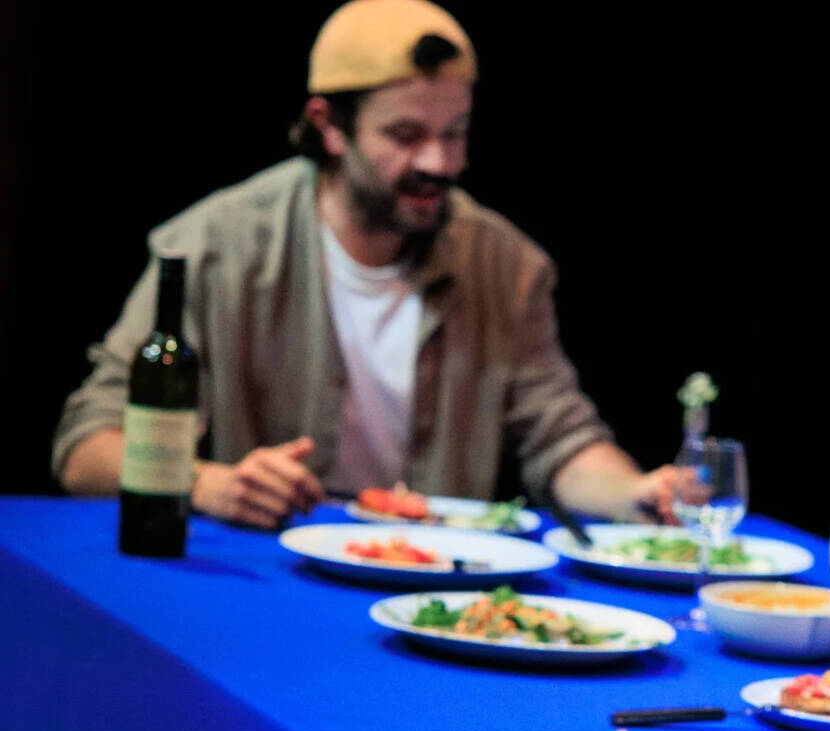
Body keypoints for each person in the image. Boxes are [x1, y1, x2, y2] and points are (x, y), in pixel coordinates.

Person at [52, 0, 674, 527]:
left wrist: (636, 494)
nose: (438, 162)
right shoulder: (216, 246)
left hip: (433, 582)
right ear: (329, 126)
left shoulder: (504, 265)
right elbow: (86, 448)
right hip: (269, 578)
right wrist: (207, 482)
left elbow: (561, 442)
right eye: (405, 136)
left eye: (455, 133)